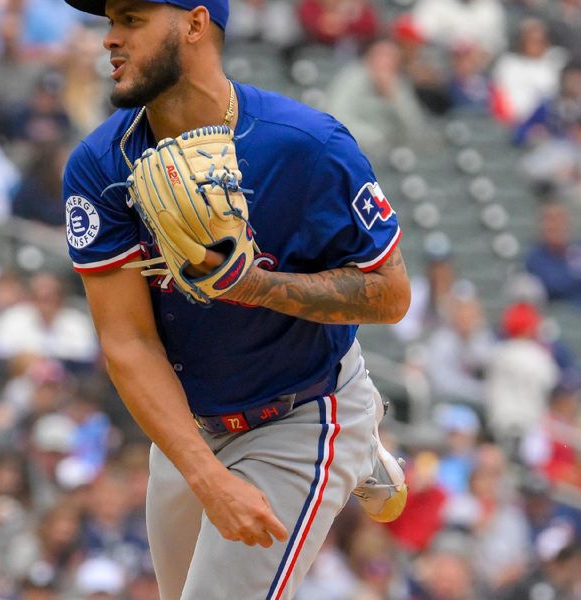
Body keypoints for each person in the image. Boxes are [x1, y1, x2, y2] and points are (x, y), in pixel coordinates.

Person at [60, 1, 412, 599]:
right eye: (110, 22)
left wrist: (255, 286)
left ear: (195, 24)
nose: (110, 40)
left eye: (132, 21)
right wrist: (205, 474)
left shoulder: (305, 145)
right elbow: (127, 341)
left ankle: (350, 446)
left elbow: (390, 295)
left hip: (302, 410)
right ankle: (363, 460)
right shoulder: (101, 166)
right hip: (188, 431)